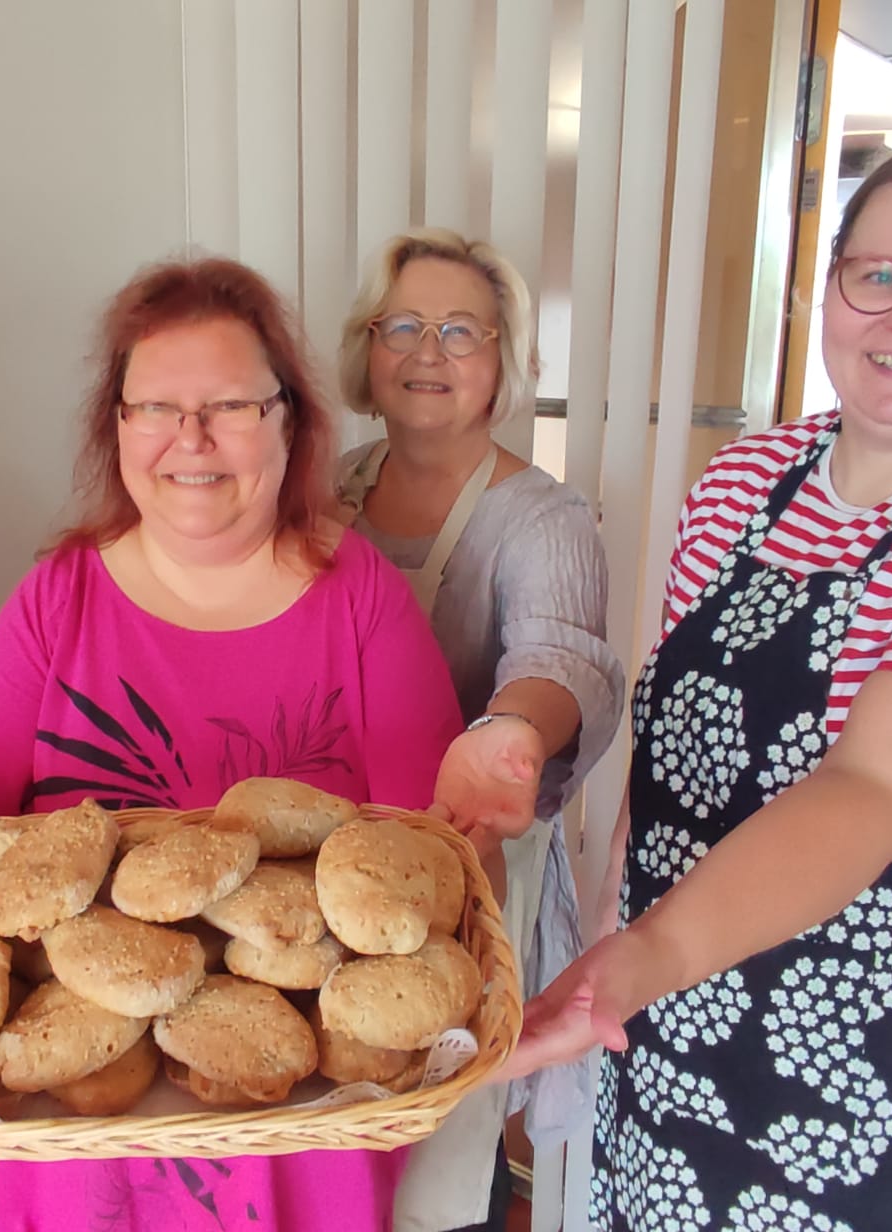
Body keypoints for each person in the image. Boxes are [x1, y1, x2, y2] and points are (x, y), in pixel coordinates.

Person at [503, 125, 892, 1230]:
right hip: (687, 1017)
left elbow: (873, 795)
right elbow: (678, 751)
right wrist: (613, 925)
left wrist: (634, 958)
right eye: (880, 274)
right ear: (828, 289)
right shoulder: (749, 475)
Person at [0, 255, 464, 1232]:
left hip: (295, 1123)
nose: (189, 439)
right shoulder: (58, 598)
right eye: (153, 405)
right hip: (82, 1124)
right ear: (114, 424)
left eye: (230, 405)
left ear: (290, 420)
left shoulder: (358, 595)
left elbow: (431, 856)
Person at [335, 229, 625, 1231]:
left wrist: (507, 734)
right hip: (328, 866)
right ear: (365, 349)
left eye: (462, 331)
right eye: (403, 325)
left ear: (504, 359)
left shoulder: (542, 519)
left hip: (466, 864)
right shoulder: (325, 491)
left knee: (432, 1143)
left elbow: (562, 658)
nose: (429, 352)